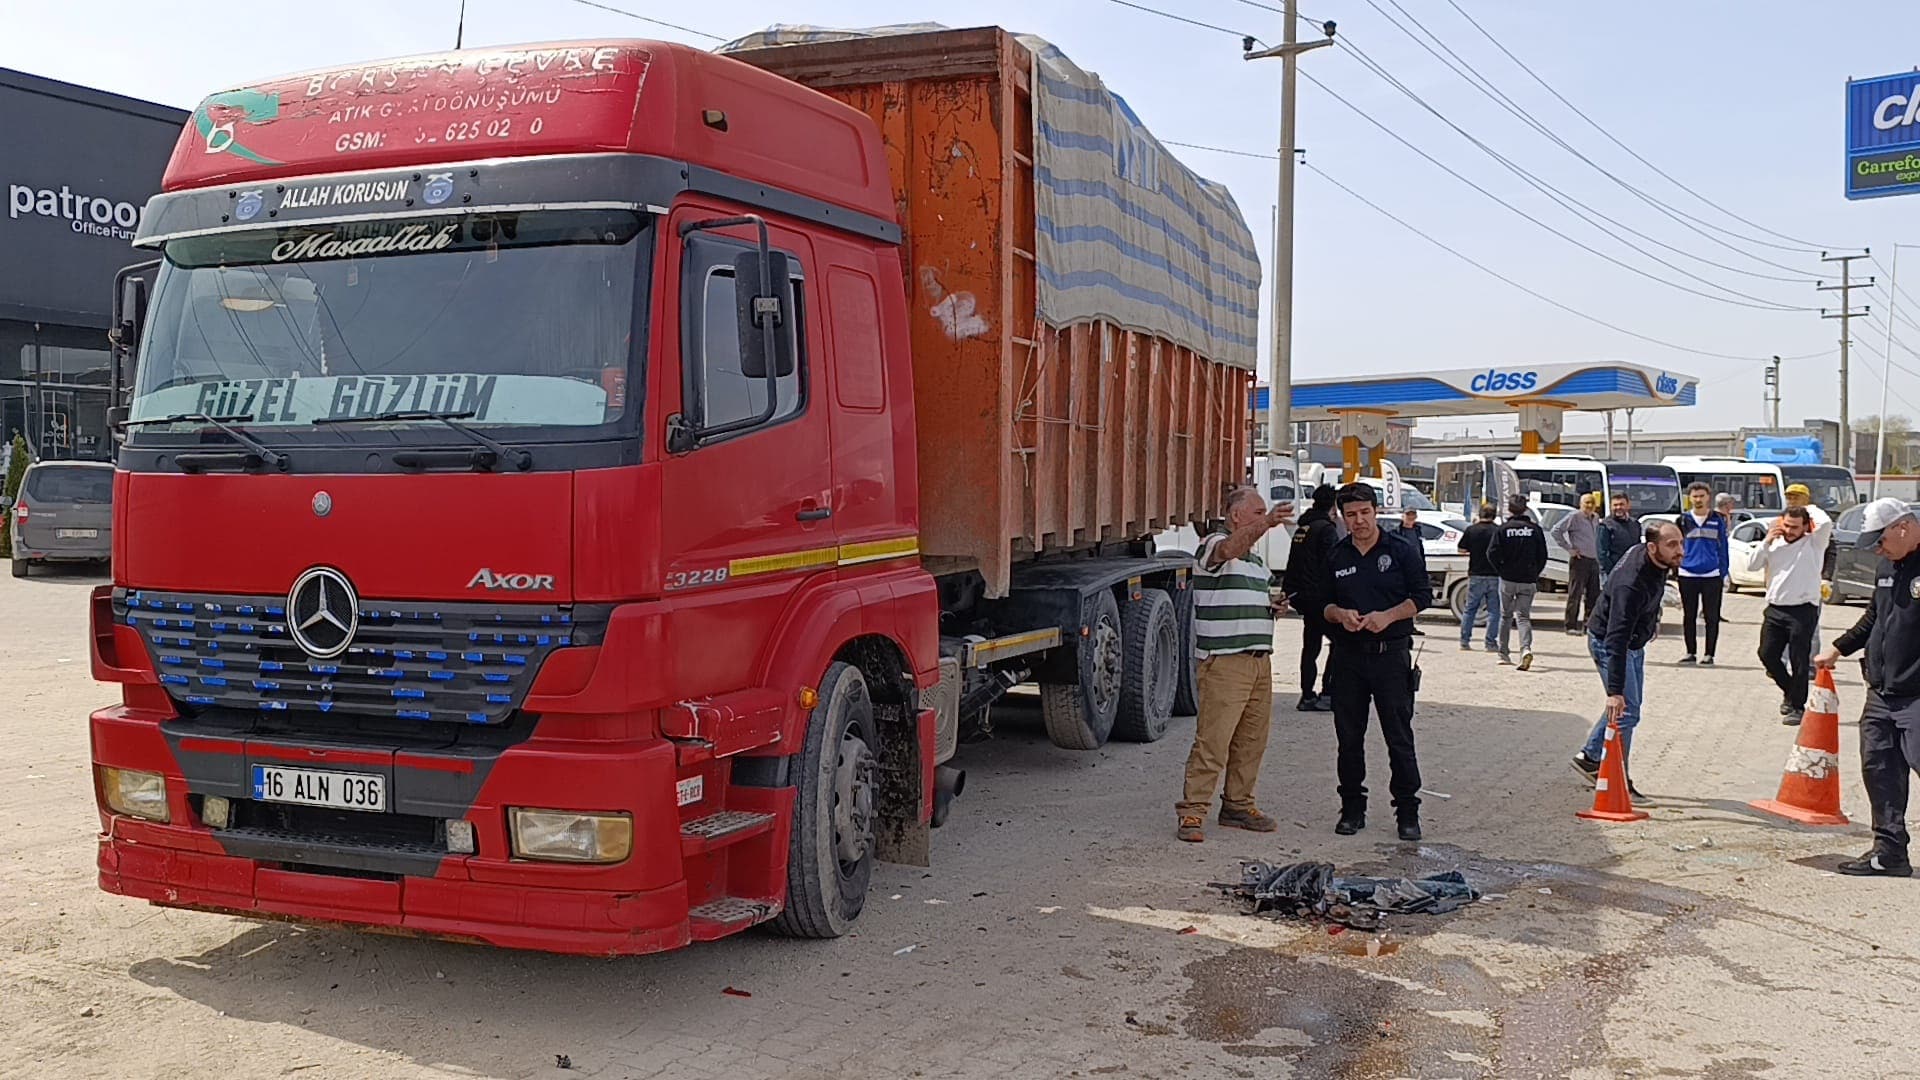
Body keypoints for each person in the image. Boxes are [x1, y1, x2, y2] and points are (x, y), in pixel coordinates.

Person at [1306, 483, 1433, 841]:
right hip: (1348, 658)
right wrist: (1340, 614)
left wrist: (1388, 616)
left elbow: (1422, 596)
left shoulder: (1401, 549)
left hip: (1390, 656)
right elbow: (1320, 605)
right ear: (1341, 517)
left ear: (1376, 512)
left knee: (1399, 738)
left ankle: (1407, 812)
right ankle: (1352, 809)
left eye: (1365, 513)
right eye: (1351, 515)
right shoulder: (1336, 555)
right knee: (1348, 739)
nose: (1359, 520)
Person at [1176, 486, 1294, 843]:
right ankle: (1193, 811)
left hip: (1258, 662)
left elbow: (1256, 599)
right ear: (1236, 516)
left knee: (1251, 741)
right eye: (1257, 512)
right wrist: (1268, 523)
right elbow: (1227, 550)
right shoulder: (1213, 545)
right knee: (1213, 741)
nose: (1264, 518)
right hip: (1226, 662)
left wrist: (1275, 606)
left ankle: (1238, 805)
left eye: (1265, 513)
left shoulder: (1257, 564)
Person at [1815, 498, 1920, 877]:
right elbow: (1874, 616)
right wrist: (1838, 648)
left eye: (1880, 540)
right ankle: (1889, 853)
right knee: (1880, 771)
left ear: (1902, 527)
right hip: (1881, 693)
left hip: (1917, 695)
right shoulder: (1888, 565)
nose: (1877, 549)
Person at [1572, 520, 1685, 798]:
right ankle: (1617, 780)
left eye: (1681, 543)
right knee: (1626, 710)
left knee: (1627, 707)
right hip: (1610, 644)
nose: (1680, 550)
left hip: (1633, 643)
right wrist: (1614, 691)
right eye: (1672, 545)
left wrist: (1651, 621)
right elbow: (1616, 638)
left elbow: (1655, 591)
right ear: (1652, 547)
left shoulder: (1653, 559)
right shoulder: (1630, 584)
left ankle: (1590, 756)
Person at [1750, 507, 1824, 725]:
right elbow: (1752, 565)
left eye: (1795, 527)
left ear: (1805, 526)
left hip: (1803, 610)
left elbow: (1826, 522)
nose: (1790, 531)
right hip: (1775, 608)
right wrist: (1766, 541)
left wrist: (1807, 506)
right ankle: (1791, 693)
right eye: (1787, 525)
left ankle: (1798, 707)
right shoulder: (1774, 544)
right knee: (1767, 654)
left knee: (1799, 659)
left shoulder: (1814, 543)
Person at [1283, 484, 1340, 712]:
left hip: (1303, 596)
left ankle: (1307, 695)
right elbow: (1332, 564)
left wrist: (1290, 591)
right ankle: (1328, 693)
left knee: (1311, 647)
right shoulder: (1326, 530)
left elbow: (1293, 562)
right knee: (1339, 643)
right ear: (1333, 505)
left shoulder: (1303, 528)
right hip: (1320, 597)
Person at [1489, 494, 1548, 671]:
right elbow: (1543, 555)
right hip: (1528, 579)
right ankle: (1525, 649)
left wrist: (1501, 569)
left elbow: (1491, 553)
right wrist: (1535, 572)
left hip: (1508, 578)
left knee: (1505, 616)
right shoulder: (1535, 530)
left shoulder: (1503, 529)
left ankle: (1503, 654)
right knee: (1523, 617)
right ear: (1526, 509)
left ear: (1509, 509)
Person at [1675, 482, 1730, 665]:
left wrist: (1722, 571)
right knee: (1689, 616)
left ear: (1708, 497)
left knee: (1712, 617)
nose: (1698, 499)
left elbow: (1723, 547)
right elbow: (1675, 546)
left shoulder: (1717, 519)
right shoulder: (1683, 520)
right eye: (1695, 496)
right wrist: (1677, 567)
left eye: (1701, 496)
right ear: (1689, 498)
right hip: (1687, 574)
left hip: (1711, 575)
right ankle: (1690, 652)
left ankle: (1709, 654)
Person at [1553, 493, 1602, 634]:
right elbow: (1556, 531)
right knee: (1575, 593)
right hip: (1579, 560)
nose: (1589, 505)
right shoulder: (1574, 517)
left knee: (1593, 595)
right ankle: (1571, 625)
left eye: (1592, 503)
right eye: (1586, 502)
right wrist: (1570, 549)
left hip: (1594, 560)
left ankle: (1589, 626)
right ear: (1580, 504)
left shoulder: (1596, 518)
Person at [1456, 502, 1502, 652]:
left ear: (1480, 514)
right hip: (1494, 574)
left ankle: (1464, 641)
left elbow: (1461, 549)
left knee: (1470, 609)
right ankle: (1490, 643)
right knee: (1494, 611)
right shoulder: (1498, 531)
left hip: (1476, 574)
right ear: (1494, 515)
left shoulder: (1472, 530)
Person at [1597, 493, 1640, 584]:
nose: (1618, 507)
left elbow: (1638, 548)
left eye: (1621, 504)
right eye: (1615, 505)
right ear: (1611, 507)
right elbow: (1601, 553)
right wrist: (1612, 570)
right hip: (1612, 573)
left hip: (1631, 572)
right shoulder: (1605, 525)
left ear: (1628, 505)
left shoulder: (1635, 524)